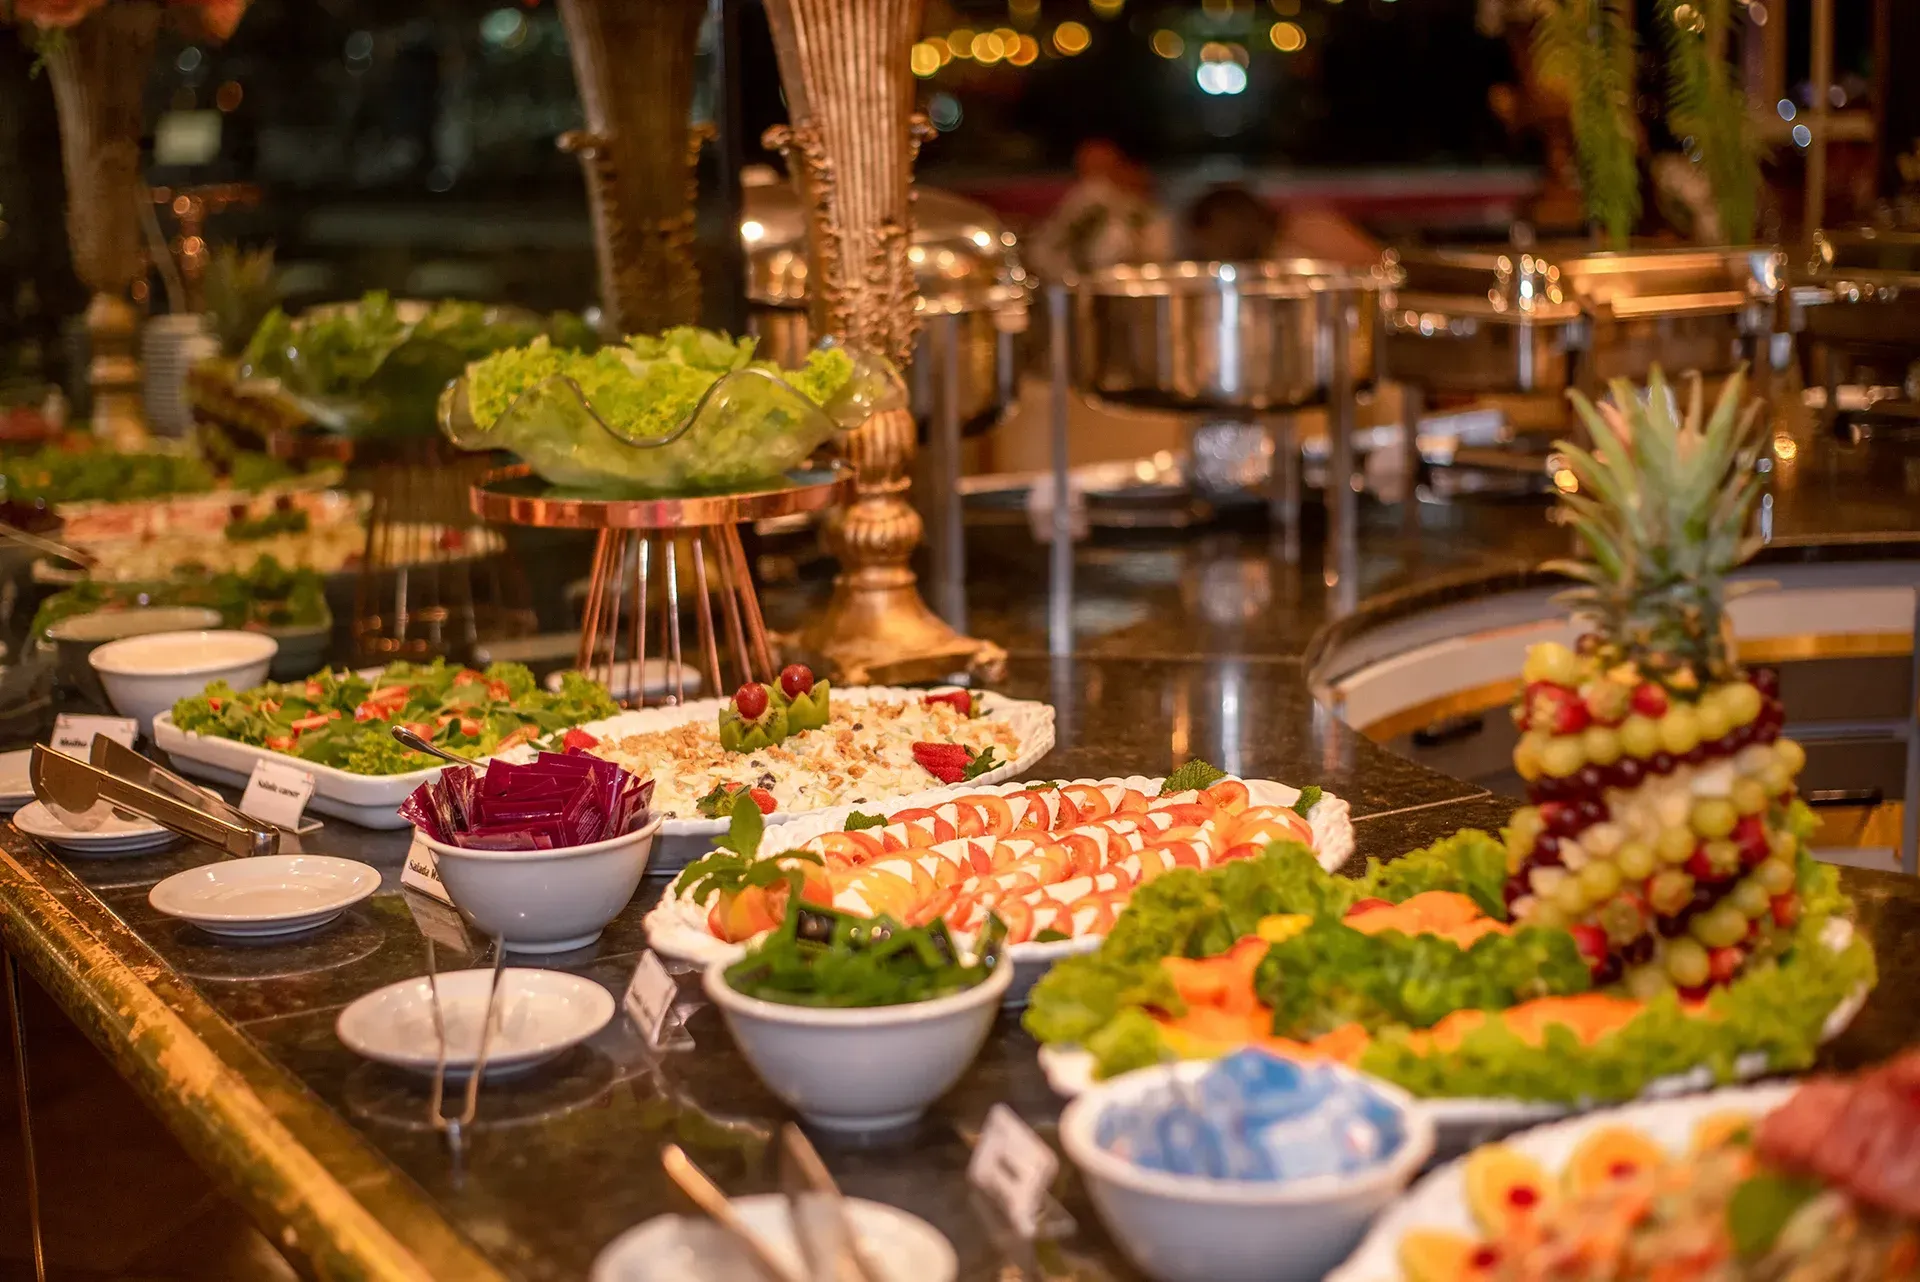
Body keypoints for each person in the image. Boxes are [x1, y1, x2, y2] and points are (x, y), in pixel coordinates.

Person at [1028, 138, 1173, 279]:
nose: (1095, 179)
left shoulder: (1146, 210)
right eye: (1089, 168)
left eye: (1102, 167)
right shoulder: (1081, 202)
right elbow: (1046, 250)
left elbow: (1160, 256)